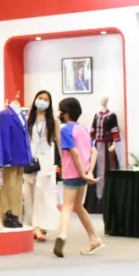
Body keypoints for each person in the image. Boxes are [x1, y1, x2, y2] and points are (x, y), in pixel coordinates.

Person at [54, 97, 104, 258]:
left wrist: (83, 172)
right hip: (83, 174)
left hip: (72, 173)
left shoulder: (66, 131)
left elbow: (74, 152)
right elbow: (94, 151)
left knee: (67, 205)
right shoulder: (83, 129)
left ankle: (62, 234)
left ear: (66, 113)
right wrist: (89, 172)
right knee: (78, 206)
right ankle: (94, 238)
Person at [22, 90, 57, 242]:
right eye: (40, 98)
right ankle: (32, 225)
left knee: (42, 193)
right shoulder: (28, 119)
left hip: (45, 159)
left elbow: (58, 141)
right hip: (31, 158)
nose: (42, 101)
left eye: (46, 99)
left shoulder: (53, 121)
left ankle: (39, 225)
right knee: (29, 192)